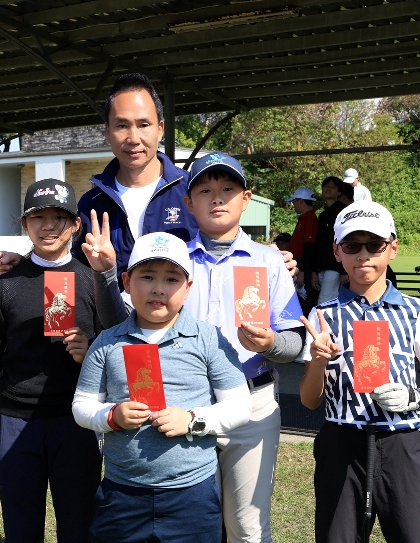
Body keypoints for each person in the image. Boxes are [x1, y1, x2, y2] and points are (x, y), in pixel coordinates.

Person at [88, 152, 305, 543]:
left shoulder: (269, 261)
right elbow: (117, 321)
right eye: (205, 191)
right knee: (190, 523)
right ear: (188, 203)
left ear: (246, 198)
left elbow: (294, 342)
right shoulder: (171, 259)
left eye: (228, 189)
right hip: (179, 405)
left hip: (251, 404)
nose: (217, 198)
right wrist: (105, 273)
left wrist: (271, 342)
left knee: (247, 528)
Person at [0, 72, 296, 288]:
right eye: (122, 125)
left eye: (144, 124)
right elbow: (67, 263)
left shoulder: (192, 191)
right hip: (113, 339)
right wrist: (25, 263)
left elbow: (226, 246)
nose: (133, 138)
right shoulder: (90, 203)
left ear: (161, 128)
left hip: (183, 339)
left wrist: (268, 257)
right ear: (107, 131)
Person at [73, 232, 251, 542]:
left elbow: (240, 407)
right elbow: (81, 406)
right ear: (127, 282)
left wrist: (192, 420)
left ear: (188, 287)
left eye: (171, 279)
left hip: (192, 494)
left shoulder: (208, 338)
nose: (158, 288)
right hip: (122, 493)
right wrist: (112, 416)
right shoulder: (107, 341)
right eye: (147, 277)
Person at [0, 179, 102, 542]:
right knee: (21, 530)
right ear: (24, 224)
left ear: (76, 224)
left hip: (76, 422)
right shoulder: (4, 286)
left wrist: (90, 351)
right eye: (38, 217)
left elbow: (113, 358)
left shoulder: (92, 282)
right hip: (14, 421)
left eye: (59, 217)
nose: (48, 226)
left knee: (79, 528)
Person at [299, 201, 420, 543]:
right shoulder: (322, 316)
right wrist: (318, 360)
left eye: (374, 245)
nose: (363, 255)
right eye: (352, 246)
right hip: (341, 444)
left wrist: (415, 396)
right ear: (337, 251)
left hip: (401, 443)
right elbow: (309, 400)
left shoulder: (416, 310)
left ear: (392, 248)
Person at [310, 176, 347, 304]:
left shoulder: (343, 212)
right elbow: (318, 242)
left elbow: (345, 240)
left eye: (332, 187)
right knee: (329, 300)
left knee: (324, 301)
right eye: (326, 186)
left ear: (339, 192)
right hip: (322, 265)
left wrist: (344, 271)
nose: (328, 189)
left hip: (335, 266)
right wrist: (314, 270)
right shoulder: (323, 215)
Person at [286, 186, 319, 314]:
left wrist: (302, 271)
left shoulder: (310, 219)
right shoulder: (304, 218)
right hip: (299, 264)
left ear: (300, 201)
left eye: (294, 202)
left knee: (304, 302)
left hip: (303, 266)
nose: (293, 205)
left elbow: (309, 247)